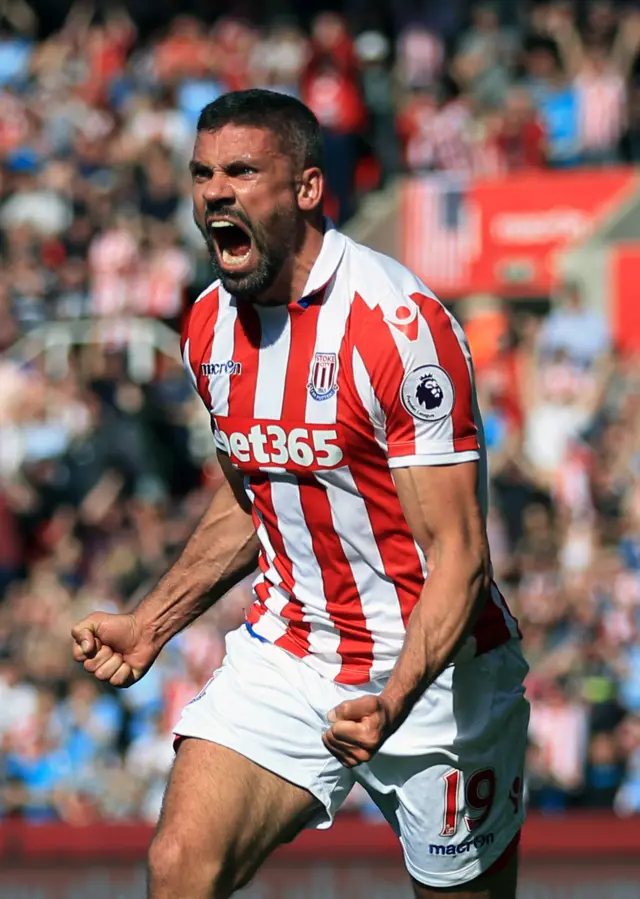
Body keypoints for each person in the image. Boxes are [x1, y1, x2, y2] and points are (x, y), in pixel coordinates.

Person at [71, 89, 529, 899]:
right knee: (179, 869)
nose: (215, 190)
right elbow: (253, 494)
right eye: (202, 173)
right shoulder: (209, 324)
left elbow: (459, 554)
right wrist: (152, 624)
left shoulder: (397, 326)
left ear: (307, 189)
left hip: (438, 678)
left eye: (242, 171)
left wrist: (390, 699)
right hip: (290, 653)